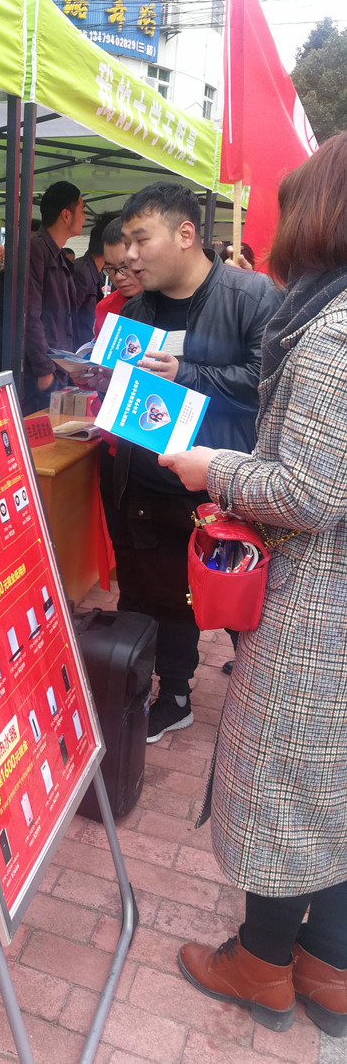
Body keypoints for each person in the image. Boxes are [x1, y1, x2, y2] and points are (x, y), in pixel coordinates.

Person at [159, 132, 347, 1039]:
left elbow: (309, 492)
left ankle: (264, 962)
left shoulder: (334, 334)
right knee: (334, 785)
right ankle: (329, 969)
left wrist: (216, 469)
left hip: (320, 601)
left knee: (286, 780)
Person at [108, 182, 281, 742]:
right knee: (162, 593)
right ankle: (174, 693)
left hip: (223, 485)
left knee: (236, 594)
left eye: (141, 240)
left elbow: (267, 383)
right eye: (126, 243)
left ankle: (267, 699)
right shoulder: (138, 308)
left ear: (185, 234)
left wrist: (187, 375)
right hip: (149, 478)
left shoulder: (251, 295)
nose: (130, 255)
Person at [22, 180, 86, 413]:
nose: (85, 217)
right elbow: (28, 314)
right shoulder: (35, 250)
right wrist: (44, 369)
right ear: (66, 215)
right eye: (82, 210)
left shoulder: (57, 254)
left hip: (59, 369)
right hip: (43, 374)